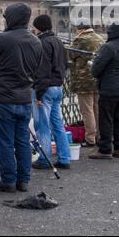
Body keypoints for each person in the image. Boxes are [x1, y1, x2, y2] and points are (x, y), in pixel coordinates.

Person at [0, 3, 43, 193]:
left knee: (5, 142)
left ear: (12, 18)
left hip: (4, 99)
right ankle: (23, 181)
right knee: (22, 141)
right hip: (25, 98)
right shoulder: (36, 41)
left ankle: (8, 181)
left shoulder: (4, 38)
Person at [89, 24, 119, 159]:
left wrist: (93, 63)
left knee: (106, 119)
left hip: (109, 88)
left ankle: (105, 149)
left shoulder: (108, 47)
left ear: (110, 33)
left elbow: (96, 70)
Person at [32, 15, 71, 170]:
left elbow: (42, 71)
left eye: (34, 27)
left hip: (45, 89)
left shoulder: (42, 43)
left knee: (42, 126)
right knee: (57, 124)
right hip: (58, 88)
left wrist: (39, 94)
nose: (33, 30)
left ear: (39, 27)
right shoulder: (58, 42)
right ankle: (65, 158)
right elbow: (65, 65)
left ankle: (44, 159)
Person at [68, 19, 104, 147]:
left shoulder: (81, 40)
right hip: (98, 78)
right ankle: (100, 136)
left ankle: (90, 138)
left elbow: (70, 55)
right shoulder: (100, 38)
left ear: (80, 29)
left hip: (83, 81)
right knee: (97, 109)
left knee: (87, 110)